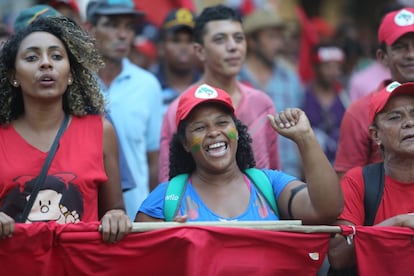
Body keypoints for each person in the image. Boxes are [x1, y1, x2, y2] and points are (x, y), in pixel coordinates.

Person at [0, 16, 131, 242]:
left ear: (71, 74)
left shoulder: (102, 131)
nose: (46, 63)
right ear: (13, 77)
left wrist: (116, 217)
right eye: (32, 57)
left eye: (57, 56)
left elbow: (115, 209)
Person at [135, 84, 342, 223]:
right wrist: (167, 243)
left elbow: (327, 210)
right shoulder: (165, 200)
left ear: (237, 131)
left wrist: (305, 138)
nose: (214, 132)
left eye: (222, 122)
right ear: (186, 144)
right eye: (200, 128)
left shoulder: (270, 186)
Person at [158, 5, 280, 183]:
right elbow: (168, 184)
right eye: (220, 39)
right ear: (199, 51)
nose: (233, 47)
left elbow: (275, 178)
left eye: (238, 38)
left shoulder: (262, 104)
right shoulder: (179, 109)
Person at [85, 0, 163, 220]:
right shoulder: (72, 83)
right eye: (112, 24)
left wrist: (150, 213)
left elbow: (153, 160)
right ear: (89, 29)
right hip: (86, 219)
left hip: (135, 216)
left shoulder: (147, 85)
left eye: (129, 26)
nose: (123, 34)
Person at [328, 81, 414, 271]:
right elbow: (338, 256)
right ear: (376, 136)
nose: (409, 122)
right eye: (395, 117)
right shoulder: (358, 181)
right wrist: (399, 223)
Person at [334, 7, 414, 179]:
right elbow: (348, 185)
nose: (411, 54)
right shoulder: (360, 112)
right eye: (400, 47)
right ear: (383, 56)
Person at [239, 8, 305, 178]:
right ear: (252, 42)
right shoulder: (235, 78)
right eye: (271, 36)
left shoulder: (290, 79)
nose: (279, 43)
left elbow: (301, 129)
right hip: (244, 177)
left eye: (279, 36)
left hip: (287, 175)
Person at [302, 44, 348, 164]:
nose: (333, 72)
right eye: (327, 66)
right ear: (315, 67)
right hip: (309, 165)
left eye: (337, 67)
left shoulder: (345, 97)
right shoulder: (302, 95)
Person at [154, 8, 200, 116]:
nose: (183, 47)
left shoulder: (209, 89)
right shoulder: (147, 87)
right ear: (161, 47)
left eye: (190, 40)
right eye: (176, 40)